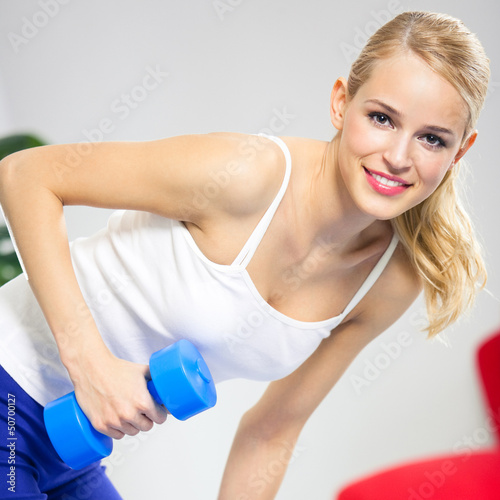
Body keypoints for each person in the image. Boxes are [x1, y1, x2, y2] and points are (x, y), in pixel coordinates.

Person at [0, 10, 490, 500]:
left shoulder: (389, 280)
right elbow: (25, 176)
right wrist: (90, 364)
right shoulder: (246, 177)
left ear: (459, 152)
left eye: (431, 138)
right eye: (382, 119)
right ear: (342, 104)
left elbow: (271, 432)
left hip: (75, 449)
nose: (399, 157)